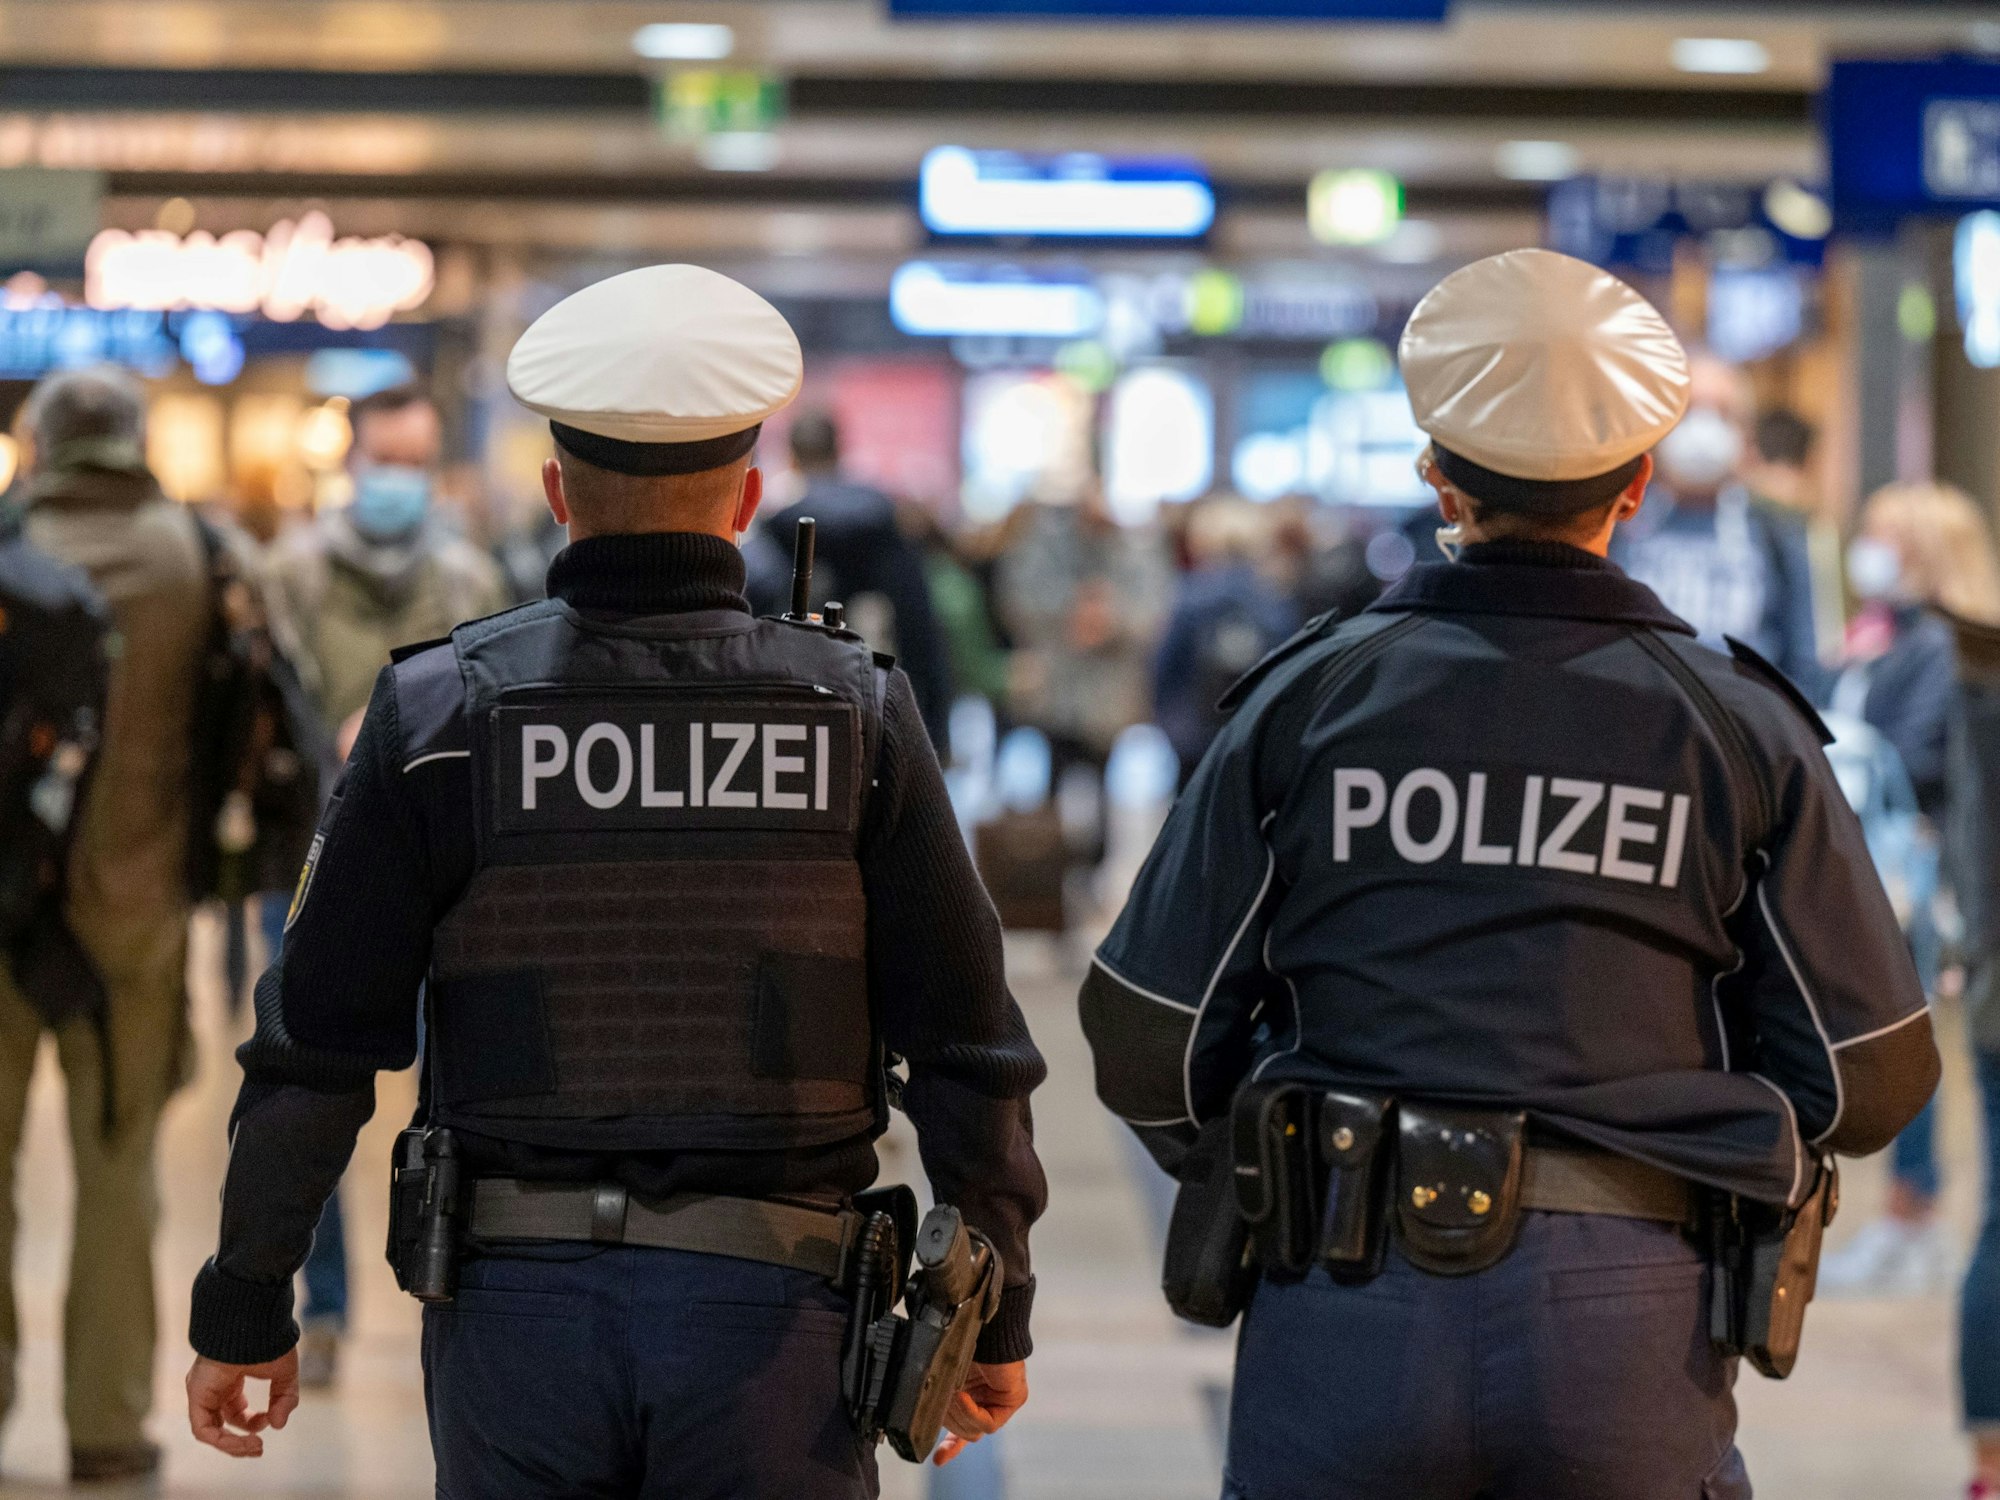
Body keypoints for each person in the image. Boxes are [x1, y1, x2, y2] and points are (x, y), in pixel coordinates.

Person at [1079, 249, 1939, 1500]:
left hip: (1342, 1299)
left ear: (1433, 474)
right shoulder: (1737, 724)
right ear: (1639, 485)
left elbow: (1148, 1034)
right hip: (1629, 1318)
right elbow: (1869, 1073)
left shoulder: (1303, 702)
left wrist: (1274, 1158)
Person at [184, 264, 1048, 1497]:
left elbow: (316, 1040)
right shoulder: (855, 716)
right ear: (747, 501)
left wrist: (246, 1295)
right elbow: (968, 1043)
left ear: (554, 495)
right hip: (777, 1327)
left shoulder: (443, 713)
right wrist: (997, 1306)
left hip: (512, 1320)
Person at [260, 382, 508, 1385]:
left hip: (446, 877)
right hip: (311, 863)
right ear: (353, 459)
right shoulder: (290, 574)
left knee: (451, 1089)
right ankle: (318, 1308)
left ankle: (448, 1279)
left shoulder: (469, 577)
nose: (398, 479)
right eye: (386, 458)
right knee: (310, 1078)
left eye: (416, 460)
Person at [0, 368, 218, 1481]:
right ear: (135, 441)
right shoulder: (192, 554)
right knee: (119, 1166)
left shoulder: (7, 545)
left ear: (39, 442)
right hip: (135, 914)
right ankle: (104, 1419)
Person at [1820, 482, 1999, 1297]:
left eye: (1889, 535)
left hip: (1917, 868)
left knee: (1904, 1034)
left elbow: (1923, 761)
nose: (1872, 549)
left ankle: (1912, 1211)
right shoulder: (1880, 637)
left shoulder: (1949, 652)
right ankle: (1901, 1211)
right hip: (1866, 860)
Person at [1614, 353, 1823, 688]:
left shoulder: (1778, 533)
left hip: (1743, 728)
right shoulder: (1621, 522)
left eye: (1722, 414)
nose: (1703, 430)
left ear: (1747, 435)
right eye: (1690, 411)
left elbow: (1803, 662)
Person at [753, 411, 956, 754]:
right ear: (840, 449)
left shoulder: (777, 533)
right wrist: (937, 737)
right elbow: (923, 634)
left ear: (792, 456)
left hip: (797, 726)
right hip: (886, 719)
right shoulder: (887, 522)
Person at [1151, 499, 1298, 788]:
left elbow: (1163, 668)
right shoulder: (1273, 601)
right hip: (1251, 740)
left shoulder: (1189, 596)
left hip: (1193, 739)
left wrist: (1173, 727)